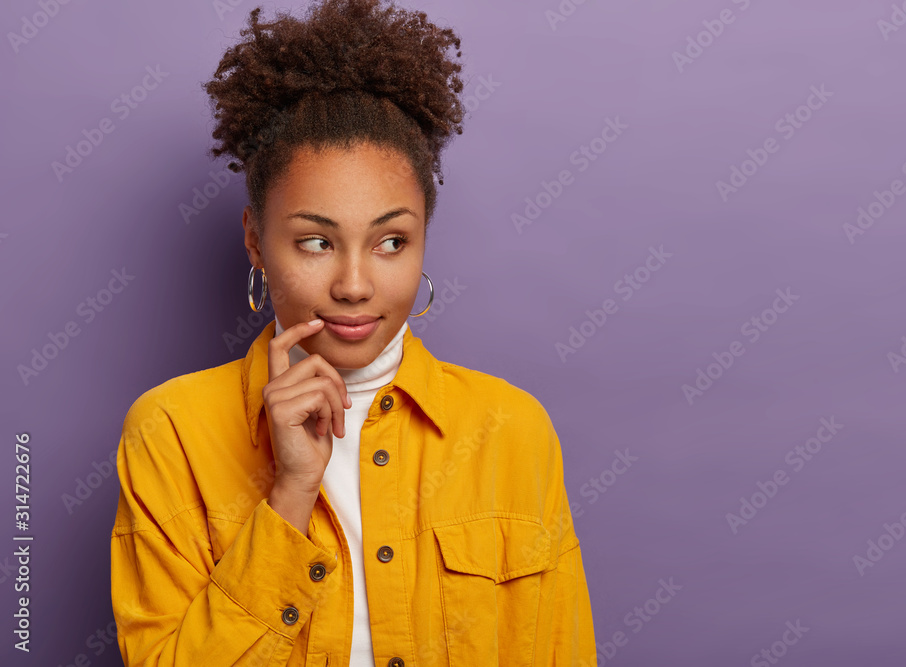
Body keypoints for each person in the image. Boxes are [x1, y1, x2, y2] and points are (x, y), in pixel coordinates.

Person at [109, 1, 597, 665]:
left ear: (425, 238)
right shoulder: (171, 434)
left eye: (391, 240)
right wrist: (288, 496)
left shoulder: (512, 431)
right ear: (255, 240)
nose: (356, 283)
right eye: (316, 241)